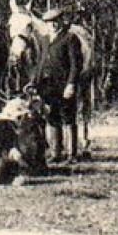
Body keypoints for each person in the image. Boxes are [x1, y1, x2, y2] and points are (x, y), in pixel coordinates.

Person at [34, 9, 83, 165]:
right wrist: (34, 82)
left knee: (68, 117)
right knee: (52, 118)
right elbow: (40, 63)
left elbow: (76, 64)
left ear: (62, 21)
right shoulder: (44, 39)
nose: (53, 25)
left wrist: (71, 84)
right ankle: (56, 153)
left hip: (64, 85)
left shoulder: (70, 38)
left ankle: (71, 154)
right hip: (47, 86)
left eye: (56, 21)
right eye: (49, 22)